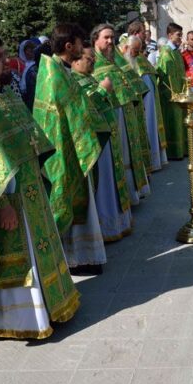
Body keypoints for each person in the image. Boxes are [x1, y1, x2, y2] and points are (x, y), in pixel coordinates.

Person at [0, 33, 79, 338]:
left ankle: (52, 305)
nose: (7, 61)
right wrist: (3, 207)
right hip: (6, 199)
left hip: (30, 188)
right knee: (19, 258)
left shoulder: (3, 92)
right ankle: (24, 321)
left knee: (39, 251)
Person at [33, 23, 111, 275]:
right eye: (79, 43)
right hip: (65, 150)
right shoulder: (55, 74)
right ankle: (75, 259)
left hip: (73, 145)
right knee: (68, 201)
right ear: (69, 46)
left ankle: (84, 257)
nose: (83, 47)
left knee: (81, 202)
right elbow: (75, 112)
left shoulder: (59, 70)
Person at [71, 44, 134, 242]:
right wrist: (102, 90)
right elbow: (83, 111)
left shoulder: (89, 78)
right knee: (103, 183)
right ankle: (105, 227)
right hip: (94, 143)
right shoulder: (73, 81)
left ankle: (115, 223)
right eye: (89, 59)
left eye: (93, 59)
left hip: (107, 139)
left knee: (110, 180)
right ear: (75, 60)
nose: (93, 62)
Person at [92, 24, 150, 205]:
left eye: (112, 37)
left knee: (128, 154)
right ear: (95, 40)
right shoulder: (91, 62)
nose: (111, 41)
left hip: (125, 113)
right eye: (106, 37)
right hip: (111, 116)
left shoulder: (114, 60)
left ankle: (131, 195)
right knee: (119, 158)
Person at [124, 34, 167, 171]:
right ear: (126, 47)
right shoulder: (123, 60)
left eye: (139, 50)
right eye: (135, 51)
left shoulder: (138, 59)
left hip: (146, 102)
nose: (138, 54)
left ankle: (152, 161)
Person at [156, 23, 193, 159]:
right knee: (174, 122)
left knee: (182, 121)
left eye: (181, 35)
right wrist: (173, 94)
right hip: (172, 96)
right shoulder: (166, 53)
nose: (181, 38)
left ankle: (184, 150)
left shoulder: (176, 52)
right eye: (178, 35)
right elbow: (165, 76)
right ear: (170, 35)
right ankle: (175, 152)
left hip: (181, 93)